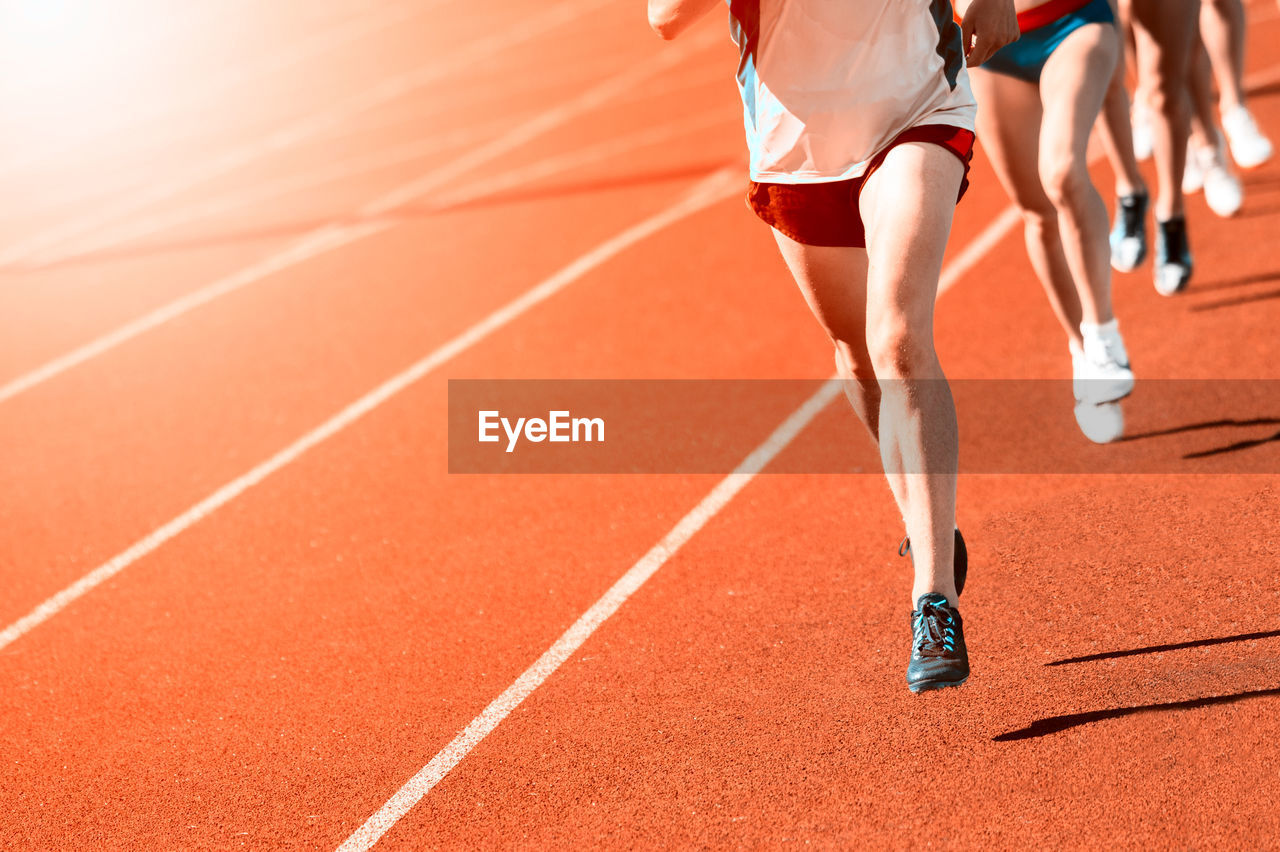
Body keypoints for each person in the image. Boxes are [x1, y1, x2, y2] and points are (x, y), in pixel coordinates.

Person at [647, 0, 1019, 692]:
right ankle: (926, 522)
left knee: (899, 337)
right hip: (799, 150)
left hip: (916, 106)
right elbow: (664, 17)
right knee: (857, 353)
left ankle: (933, 599)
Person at [967, 0, 1136, 437]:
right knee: (1037, 210)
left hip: (1072, 22)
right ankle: (1085, 357)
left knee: (1061, 172)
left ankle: (1102, 333)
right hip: (989, 47)